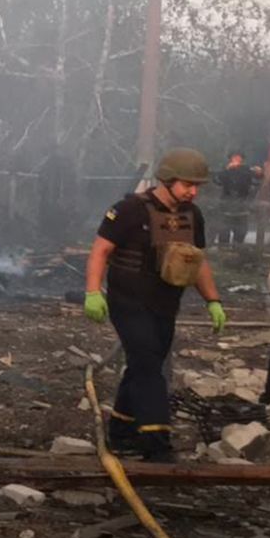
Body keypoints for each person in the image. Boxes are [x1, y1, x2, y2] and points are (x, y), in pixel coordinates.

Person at [82, 148, 227, 461]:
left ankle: (121, 433)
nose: (193, 191)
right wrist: (93, 291)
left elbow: (198, 262)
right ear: (168, 180)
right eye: (188, 184)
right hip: (128, 302)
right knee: (149, 366)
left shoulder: (192, 216)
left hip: (165, 304)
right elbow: (100, 251)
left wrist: (213, 301)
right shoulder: (129, 210)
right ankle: (157, 443)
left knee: (142, 363)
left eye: (197, 186)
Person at [213, 151, 262, 246]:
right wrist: (227, 170)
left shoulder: (247, 170)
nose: (236, 159)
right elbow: (216, 180)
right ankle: (223, 249)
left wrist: (259, 173)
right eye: (234, 157)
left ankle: (238, 249)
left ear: (242, 159)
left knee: (241, 232)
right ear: (230, 159)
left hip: (242, 207)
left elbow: (257, 182)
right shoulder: (225, 169)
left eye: (239, 157)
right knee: (224, 231)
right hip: (226, 207)